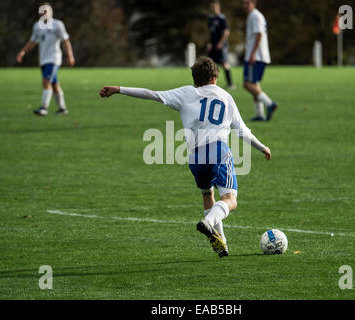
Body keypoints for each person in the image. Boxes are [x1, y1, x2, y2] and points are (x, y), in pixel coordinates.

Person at [99, 57, 271, 258]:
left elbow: (151, 94)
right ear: (215, 77)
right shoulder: (226, 96)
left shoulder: (187, 93)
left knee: (208, 195)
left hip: (196, 156)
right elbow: (242, 131)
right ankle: (209, 223)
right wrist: (262, 147)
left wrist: (119, 89)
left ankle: (221, 243)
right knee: (230, 200)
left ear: (195, 79)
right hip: (218, 151)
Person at [16, 2, 75, 116]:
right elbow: (32, 42)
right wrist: (22, 52)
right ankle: (62, 109)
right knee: (54, 84)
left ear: (51, 12)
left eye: (46, 10)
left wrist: (70, 55)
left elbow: (65, 41)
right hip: (43, 60)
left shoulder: (57, 24)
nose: (44, 13)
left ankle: (44, 108)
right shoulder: (37, 26)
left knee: (46, 81)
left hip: (54, 59)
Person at [242, 0, 278, 121]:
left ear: (254, 3)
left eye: (247, 3)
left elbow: (259, 34)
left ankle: (269, 104)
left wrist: (252, 54)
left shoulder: (255, 16)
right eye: (243, 3)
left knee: (247, 84)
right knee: (255, 84)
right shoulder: (253, 15)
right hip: (256, 56)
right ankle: (259, 114)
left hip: (255, 57)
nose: (245, 6)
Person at [207, 0, 236, 90]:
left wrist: (221, 43)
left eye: (215, 6)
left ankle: (230, 84)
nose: (214, 8)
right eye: (212, 6)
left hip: (221, 46)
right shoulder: (211, 19)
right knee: (211, 64)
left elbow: (226, 31)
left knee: (224, 64)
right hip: (213, 45)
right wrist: (209, 43)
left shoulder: (222, 18)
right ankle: (211, 84)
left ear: (219, 7)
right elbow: (210, 33)